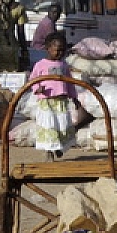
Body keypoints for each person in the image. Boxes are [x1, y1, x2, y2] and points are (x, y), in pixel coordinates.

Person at [28, 31, 77, 159]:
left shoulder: (64, 65)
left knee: (61, 125)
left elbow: (70, 83)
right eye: (57, 50)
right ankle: (49, 152)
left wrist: (74, 98)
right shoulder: (40, 65)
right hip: (47, 102)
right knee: (49, 125)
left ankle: (59, 147)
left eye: (62, 51)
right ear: (48, 48)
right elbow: (32, 79)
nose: (60, 53)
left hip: (61, 101)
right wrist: (37, 89)